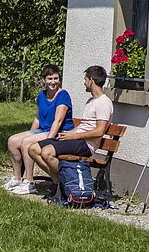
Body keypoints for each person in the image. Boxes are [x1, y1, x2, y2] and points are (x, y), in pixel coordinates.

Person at [32, 65, 114, 194]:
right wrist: (69, 133)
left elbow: (99, 132)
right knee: (34, 149)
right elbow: (84, 126)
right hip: (78, 139)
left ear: (91, 81)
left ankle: (66, 184)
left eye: (85, 79)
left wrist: (74, 136)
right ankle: (58, 182)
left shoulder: (103, 103)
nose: (84, 83)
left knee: (46, 152)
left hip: (86, 144)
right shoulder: (91, 101)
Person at [3, 64, 73, 195]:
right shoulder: (42, 95)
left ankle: (29, 182)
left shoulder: (63, 95)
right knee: (12, 141)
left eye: (56, 78)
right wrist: (29, 133)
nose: (53, 82)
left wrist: (48, 140)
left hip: (58, 132)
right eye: (50, 78)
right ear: (44, 80)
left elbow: (58, 122)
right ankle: (17, 178)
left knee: (27, 143)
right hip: (43, 129)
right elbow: (38, 118)